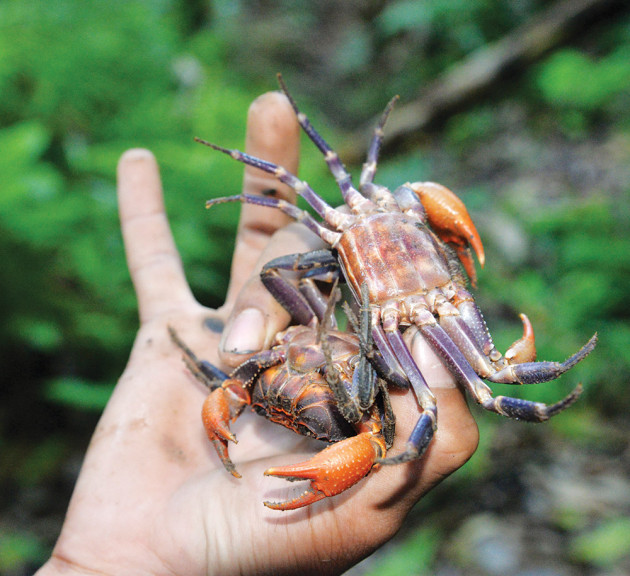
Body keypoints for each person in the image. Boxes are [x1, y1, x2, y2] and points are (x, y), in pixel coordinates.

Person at [36, 91, 478, 576]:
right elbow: (233, 372)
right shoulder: (279, 344)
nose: (289, 423)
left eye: (305, 427)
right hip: (303, 343)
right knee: (277, 275)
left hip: (352, 352)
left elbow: (377, 436)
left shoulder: (372, 353)